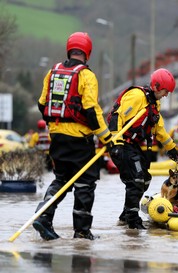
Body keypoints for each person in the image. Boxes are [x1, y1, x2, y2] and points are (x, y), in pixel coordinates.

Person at [33, 32, 114, 240]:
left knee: (61, 179)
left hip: (57, 138)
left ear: (69, 49)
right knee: (85, 183)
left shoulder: (52, 72)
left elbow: (42, 104)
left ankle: (44, 215)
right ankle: (82, 232)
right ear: (87, 53)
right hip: (80, 140)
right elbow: (91, 110)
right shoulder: (86, 75)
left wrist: (56, 126)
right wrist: (107, 139)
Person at [107, 68, 178, 229]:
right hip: (121, 144)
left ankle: (126, 214)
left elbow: (159, 130)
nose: (167, 95)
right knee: (137, 179)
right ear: (157, 86)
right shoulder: (137, 96)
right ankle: (132, 220)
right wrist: (115, 143)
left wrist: (171, 148)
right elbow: (118, 117)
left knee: (145, 179)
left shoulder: (154, 103)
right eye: (166, 91)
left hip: (134, 146)